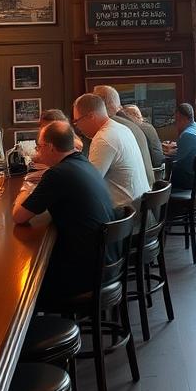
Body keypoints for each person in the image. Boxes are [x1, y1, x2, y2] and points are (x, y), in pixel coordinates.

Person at [12, 119, 117, 309]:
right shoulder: (82, 162)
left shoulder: (58, 174)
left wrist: (25, 190)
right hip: (108, 264)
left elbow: (19, 217)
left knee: (22, 285)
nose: (38, 152)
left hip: (85, 276)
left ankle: (34, 335)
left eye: (40, 147)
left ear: (51, 148)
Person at [72, 92, 150, 209]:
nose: (78, 126)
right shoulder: (122, 128)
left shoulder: (103, 138)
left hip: (126, 215)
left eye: (77, 121)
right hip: (141, 206)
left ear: (91, 116)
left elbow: (89, 184)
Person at [91, 85, 156, 185]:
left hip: (136, 197)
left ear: (100, 104)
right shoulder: (130, 123)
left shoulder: (110, 128)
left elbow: (91, 178)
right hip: (148, 191)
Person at [118, 101, 165, 169]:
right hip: (159, 167)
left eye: (125, 117)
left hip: (151, 168)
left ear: (131, 115)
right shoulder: (148, 126)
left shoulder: (136, 129)